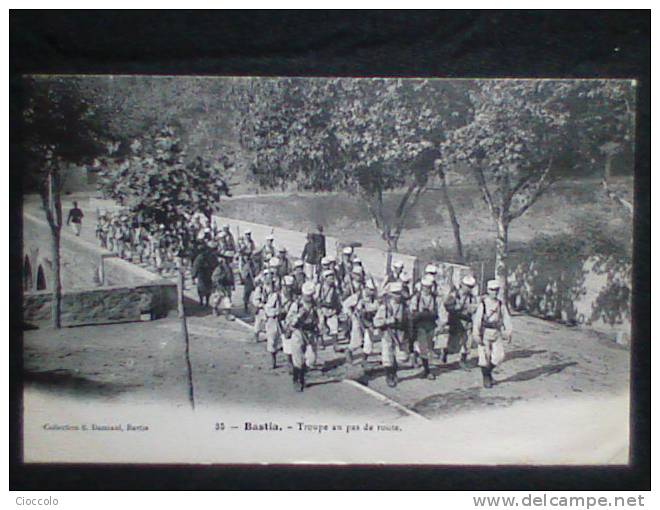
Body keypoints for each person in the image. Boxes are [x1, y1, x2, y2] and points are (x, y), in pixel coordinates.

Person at [472, 279, 513, 388]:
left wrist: (508, 332)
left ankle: (488, 373)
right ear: (488, 290)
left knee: (499, 356)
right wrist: (476, 334)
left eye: (496, 290)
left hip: (496, 333)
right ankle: (486, 379)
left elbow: (506, 318)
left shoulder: (500, 304)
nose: (494, 292)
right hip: (484, 332)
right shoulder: (483, 304)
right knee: (484, 357)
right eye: (492, 290)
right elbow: (477, 320)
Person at [409, 275, 448, 380]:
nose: (427, 289)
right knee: (424, 346)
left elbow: (442, 314)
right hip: (419, 326)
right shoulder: (416, 298)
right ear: (421, 286)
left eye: (429, 287)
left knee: (429, 347)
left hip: (431, 326)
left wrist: (441, 325)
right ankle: (427, 370)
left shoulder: (437, 299)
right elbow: (411, 312)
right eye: (425, 287)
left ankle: (420, 359)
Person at [285, 281, 321, 392]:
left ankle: (302, 374)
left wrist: (321, 325)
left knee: (311, 359)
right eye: (307, 296)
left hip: (311, 333)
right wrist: (298, 316)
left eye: (311, 296)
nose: (309, 298)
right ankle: (297, 379)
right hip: (298, 332)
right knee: (297, 359)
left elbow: (320, 317)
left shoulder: (315, 305)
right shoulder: (296, 305)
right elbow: (289, 320)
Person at [374, 282, 410, 388]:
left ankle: (394, 372)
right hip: (387, 333)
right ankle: (389, 375)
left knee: (401, 357)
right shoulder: (385, 307)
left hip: (400, 333)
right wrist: (387, 321)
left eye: (399, 293)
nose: (398, 295)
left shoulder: (405, 306)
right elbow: (376, 322)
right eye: (395, 293)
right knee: (387, 355)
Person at [445, 274, 480, 369]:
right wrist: (458, 308)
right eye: (467, 286)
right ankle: (446, 352)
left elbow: (475, 307)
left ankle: (463, 360)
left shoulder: (472, 297)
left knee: (467, 342)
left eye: (471, 287)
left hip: (467, 322)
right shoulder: (454, 295)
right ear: (462, 285)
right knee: (454, 344)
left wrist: (472, 310)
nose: (469, 289)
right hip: (456, 321)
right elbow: (447, 306)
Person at [264, 274, 296, 369]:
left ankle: (289, 362)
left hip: (285, 321)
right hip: (274, 321)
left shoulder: (293, 298)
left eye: (290, 288)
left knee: (288, 341)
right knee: (272, 340)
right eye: (287, 287)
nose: (288, 290)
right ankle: (273, 360)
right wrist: (277, 311)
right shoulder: (275, 296)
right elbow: (267, 308)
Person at [315, 268, 342, 352]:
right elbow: (315, 298)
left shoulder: (335, 288)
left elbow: (338, 299)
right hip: (321, 308)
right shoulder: (319, 287)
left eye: (332, 278)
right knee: (320, 324)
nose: (332, 280)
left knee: (334, 326)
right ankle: (320, 341)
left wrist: (337, 309)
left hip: (331, 309)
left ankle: (335, 344)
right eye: (330, 278)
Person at [210, 251, 235, 319]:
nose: (230, 260)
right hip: (220, 286)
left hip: (227, 286)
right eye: (229, 259)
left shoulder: (229, 267)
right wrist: (220, 279)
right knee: (218, 299)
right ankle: (214, 308)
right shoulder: (220, 268)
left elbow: (231, 276)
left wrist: (233, 284)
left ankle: (228, 314)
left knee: (227, 300)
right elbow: (214, 277)